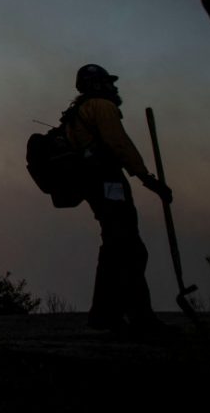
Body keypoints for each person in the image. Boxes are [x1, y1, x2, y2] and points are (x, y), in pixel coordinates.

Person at [62, 64, 171, 333]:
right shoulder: (101, 106)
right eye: (108, 82)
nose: (114, 87)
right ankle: (140, 317)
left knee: (114, 246)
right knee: (129, 247)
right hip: (108, 182)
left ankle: (104, 314)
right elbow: (118, 142)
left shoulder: (76, 113)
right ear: (97, 85)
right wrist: (147, 178)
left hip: (94, 184)